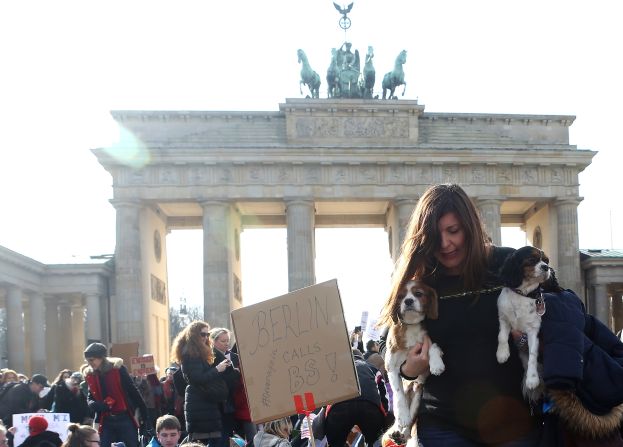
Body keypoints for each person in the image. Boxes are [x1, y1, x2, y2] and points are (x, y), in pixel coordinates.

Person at [377, 183, 536, 446]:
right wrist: (408, 368)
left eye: (453, 231)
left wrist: (524, 341)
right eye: (433, 236)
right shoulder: (421, 280)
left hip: (512, 423)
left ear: (470, 227)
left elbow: (555, 312)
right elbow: (388, 338)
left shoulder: (508, 264)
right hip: (443, 427)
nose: (445, 244)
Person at [171, 321, 236, 447]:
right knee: (206, 443)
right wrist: (218, 369)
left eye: (208, 334)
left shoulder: (198, 352)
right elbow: (197, 379)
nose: (206, 337)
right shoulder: (190, 354)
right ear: (194, 335)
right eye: (203, 334)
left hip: (205, 404)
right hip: (200, 405)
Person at [82, 342, 150, 447]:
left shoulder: (118, 370)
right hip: (105, 420)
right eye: (88, 361)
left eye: (92, 360)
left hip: (124, 417)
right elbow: (90, 397)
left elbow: (133, 391)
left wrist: (144, 415)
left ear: (101, 358)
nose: (90, 363)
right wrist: (97, 405)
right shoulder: (91, 375)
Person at [321, 349, 389, 447]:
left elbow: (325, 394)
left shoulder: (334, 369)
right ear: (362, 358)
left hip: (339, 407)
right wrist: (383, 416)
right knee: (375, 441)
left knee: (335, 443)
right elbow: (384, 394)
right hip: (370, 406)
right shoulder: (372, 368)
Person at [210, 328, 256, 446]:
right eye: (222, 341)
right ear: (213, 341)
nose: (226, 344)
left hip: (235, 403)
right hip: (219, 404)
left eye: (227, 341)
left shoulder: (235, 357)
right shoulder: (209, 358)